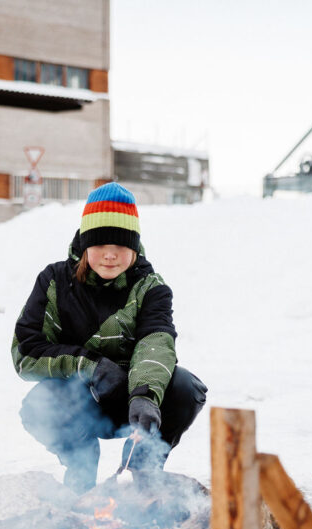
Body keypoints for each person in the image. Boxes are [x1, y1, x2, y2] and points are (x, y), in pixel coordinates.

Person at [12, 182, 207, 493]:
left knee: (186, 388)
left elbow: (155, 344)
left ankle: (140, 472)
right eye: (101, 244)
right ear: (85, 243)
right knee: (40, 404)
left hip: (135, 407)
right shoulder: (54, 282)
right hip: (81, 404)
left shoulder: (151, 287)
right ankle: (80, 471)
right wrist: (89, 364)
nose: (111, 255)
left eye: (121, 245)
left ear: (135, 246)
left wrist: (144, 396)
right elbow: (27, 352)